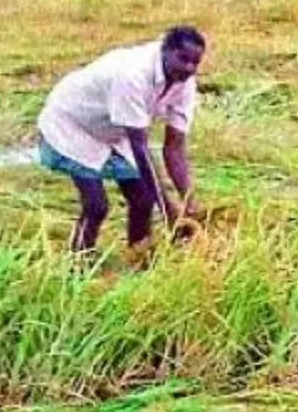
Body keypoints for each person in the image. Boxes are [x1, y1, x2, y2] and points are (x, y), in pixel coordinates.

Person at [36, 26, 206, 254]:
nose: (189, 68)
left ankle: (139, 259)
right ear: (166, 50)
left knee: (143, 199)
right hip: (73, 125)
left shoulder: (185, 83)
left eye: (195, 63)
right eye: (183, 59)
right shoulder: (132, 75)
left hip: (114, 129)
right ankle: (77, 270)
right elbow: (140, 148)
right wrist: (167, 210)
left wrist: (189, 202)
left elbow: (174, 148)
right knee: (96, 205)